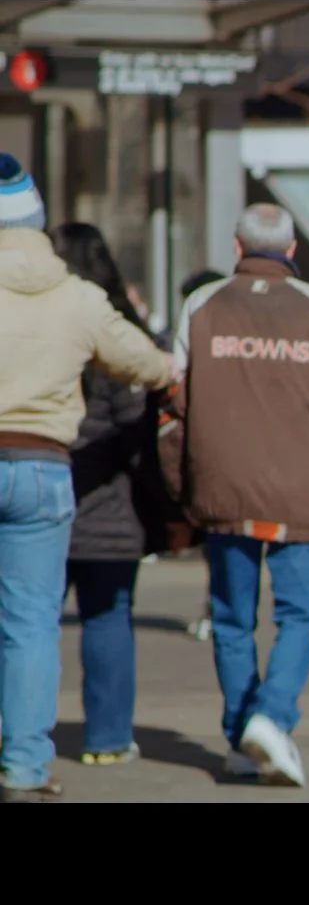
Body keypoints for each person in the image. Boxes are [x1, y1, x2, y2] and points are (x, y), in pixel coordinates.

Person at [157, 203, 309, 787]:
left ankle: (239, 741)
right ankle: (271, 717)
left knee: (231, 620)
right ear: (292, 250)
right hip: (305, 489)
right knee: (299, 615)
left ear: (236, 246)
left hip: (223, 489)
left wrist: (186, 484)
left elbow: (171, 409)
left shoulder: (200, 305)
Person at [0, 155, 176, 802]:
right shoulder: (76, 297)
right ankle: (22, 767)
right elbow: (145, 364)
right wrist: (167, 373)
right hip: (44, 467)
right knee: (31, 622)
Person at [51, 223, 178, 767]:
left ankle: (21, 733)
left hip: (42, 487)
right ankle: (105, 739)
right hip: (112, 502)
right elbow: (142, 419)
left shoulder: (42, 317)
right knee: (108, 615)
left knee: (26, 620)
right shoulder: (120, 328)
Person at [167, 268, 224, 643]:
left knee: (220, 546)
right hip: (241, 457)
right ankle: (218, 613)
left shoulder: (198, 333)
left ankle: (218, 613)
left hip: (210, 457)